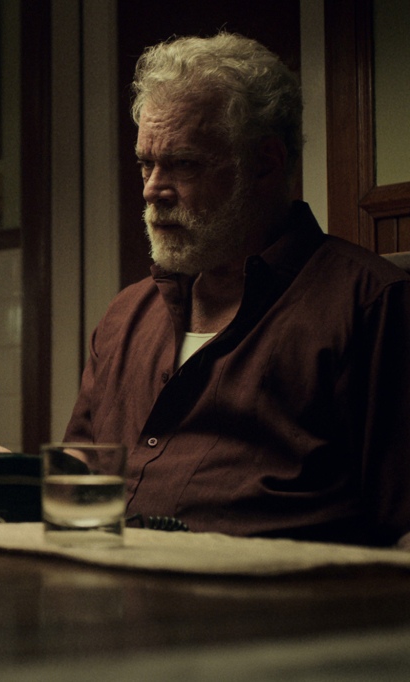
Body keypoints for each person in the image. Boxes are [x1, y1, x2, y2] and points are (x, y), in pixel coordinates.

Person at [62, 32, 410, 547]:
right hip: (106, 603)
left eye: (182, 163)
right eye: (145, 163)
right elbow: (80, 474)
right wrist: (15, 483)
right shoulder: (126, 315)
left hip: (273, 619)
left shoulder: (371, 306)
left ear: (265, 163)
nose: (152, 189)